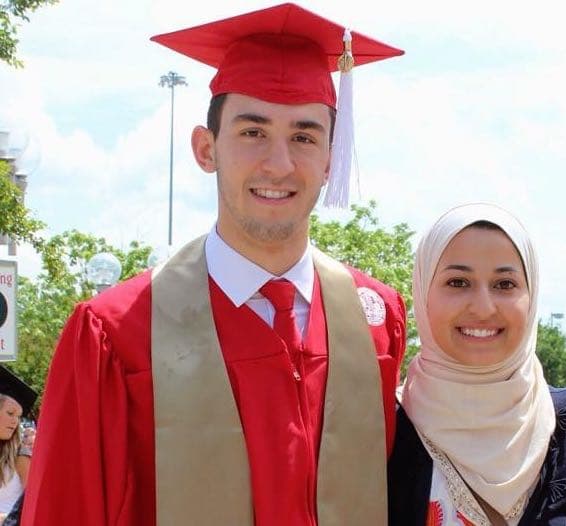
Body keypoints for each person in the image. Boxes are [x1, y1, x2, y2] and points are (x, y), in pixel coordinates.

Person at [23, 4, 406, 526]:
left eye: (304, 136)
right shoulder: (116, 333)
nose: (279, 163)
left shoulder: (374, 320)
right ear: (206, 149)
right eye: (253, 132)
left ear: (332, 157)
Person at [389, 203, 566, 525]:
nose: (483, 308)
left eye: (504, 285)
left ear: (532, 294)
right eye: (458, 282)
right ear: (424, 291)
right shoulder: (382, 430)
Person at [0, 366, 37, 522]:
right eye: (10, 413)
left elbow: (33, 505)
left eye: (19, 416)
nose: (15, 421)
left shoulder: (20, 455)